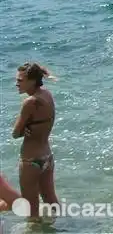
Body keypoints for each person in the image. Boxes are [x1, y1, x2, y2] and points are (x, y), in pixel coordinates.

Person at [13, 63, 58, 221]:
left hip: (30, 160)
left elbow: (15, 132)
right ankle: (63, 227)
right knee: (51, 200)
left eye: (20, 80)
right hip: (47, 156)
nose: (16, 83)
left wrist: (23, 128)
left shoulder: (29, 102)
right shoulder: (47, 95)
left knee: (31, 209)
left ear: (32, 81)